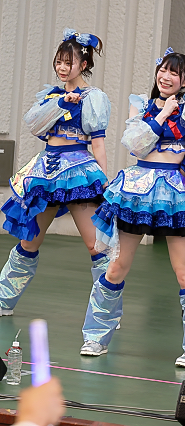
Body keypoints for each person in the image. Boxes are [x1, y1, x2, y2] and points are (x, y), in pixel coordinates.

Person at [81, 48, 185, 368]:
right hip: (136, 190)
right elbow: (134, 144)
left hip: (176, 194)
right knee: (117, 265)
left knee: (184, 271)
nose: (166, 76)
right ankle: (95, 336)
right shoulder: (141, 104)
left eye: (174, 73)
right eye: (163, 69)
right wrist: (162, 113)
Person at [0, 29, 110, 315]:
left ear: (83, 64)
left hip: (79, 172)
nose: (62, 68)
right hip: (47, 171)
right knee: (29, 241)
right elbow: (35, 125)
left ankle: (106, 310)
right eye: (59, 61)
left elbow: (98, 142)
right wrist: (60, 103)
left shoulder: (93, 97)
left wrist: (103, 179)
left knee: (97, 246)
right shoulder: (52, 95)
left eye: (68, 62)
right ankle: (3, 300)